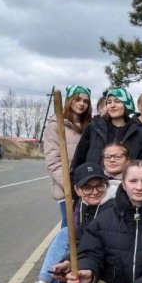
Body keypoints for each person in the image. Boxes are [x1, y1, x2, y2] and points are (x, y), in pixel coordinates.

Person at [15, 162, 109, 283]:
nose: (94, 192)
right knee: (65, 261)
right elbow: (82, 242)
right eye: (87, 188)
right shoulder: (84, 208)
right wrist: (67, 261)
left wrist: (81, 265)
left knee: (72, 263)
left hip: (106, 269)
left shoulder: (111, 209)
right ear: (77, 190)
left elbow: (101, 248)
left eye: (99, 186)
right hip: (92, 262)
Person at [44, 85, 92, 227]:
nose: (82, 104)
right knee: (68, 231)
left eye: (85, 101)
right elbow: (53, 162)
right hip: (68, 191)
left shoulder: (90, 126)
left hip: (88, 189)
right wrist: (71, 186)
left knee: (85, 230)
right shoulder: (56, 126)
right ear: (69, 100)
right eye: (77, 99)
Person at [70, 87, 142, 169]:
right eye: (109, 102)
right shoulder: (94, 128)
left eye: (117, 101)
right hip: (95, 181)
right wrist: (74, 179)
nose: (112, 105)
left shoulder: (139, 133)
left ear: (126, 104)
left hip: (125, 181)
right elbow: (79, 158)